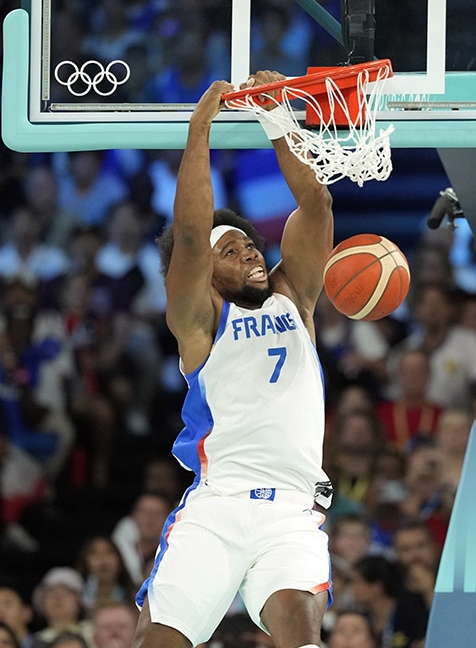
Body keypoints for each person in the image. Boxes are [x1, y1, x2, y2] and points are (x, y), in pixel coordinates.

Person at [137, 73, 333, 648]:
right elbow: (193, 238)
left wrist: (277, 116)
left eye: (249, 243)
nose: (247, 251)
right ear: (209, 275)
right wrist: (201, 128)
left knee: (301, 631)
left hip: (292, 507)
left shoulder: (293, 294)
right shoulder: (199, 321)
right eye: (231, 250)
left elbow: (316, 204)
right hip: (218, 504)